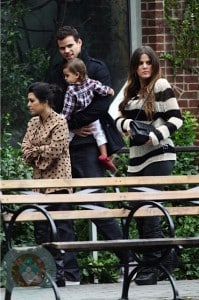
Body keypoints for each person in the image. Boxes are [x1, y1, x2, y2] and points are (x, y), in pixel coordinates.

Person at [47, 26, 127, 285]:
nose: (67, 51)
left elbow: (102, 105)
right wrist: (70, 126)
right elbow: (50, 107)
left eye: (70, 45)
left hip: (91, 147)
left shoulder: (97, 68)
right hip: (62, 149)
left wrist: (75, 122)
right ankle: (70, 274)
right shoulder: (55, 72)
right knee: (62, 209)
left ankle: (129, 260)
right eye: (62, 47)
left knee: (95, 205)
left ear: (79, 43)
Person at [115, 46, 183, 285]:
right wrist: (125, 126)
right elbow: (118, 116)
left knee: (150, 210)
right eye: (140, 63)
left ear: (154, 65)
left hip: (159, 155)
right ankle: (168, 255)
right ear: (134, 66)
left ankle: (151, 267)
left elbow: (177, 117)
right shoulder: (131, 89)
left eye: (148, 62)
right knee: (139, 213)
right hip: (136, 158)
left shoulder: (161, 86)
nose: (144, 66)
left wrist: (155, 135)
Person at [21, 82, 79, 287]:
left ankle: (66, 275)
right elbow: (25, 151)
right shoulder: (32, 124)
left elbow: (56, 151)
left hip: (59, 183)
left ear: (44, 102)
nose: (28, 104)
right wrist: (37, 154)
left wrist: (36, 153)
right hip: (40, 185)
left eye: (32, 100)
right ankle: (46, 273)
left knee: (62, 229)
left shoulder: (60, 121)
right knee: (41, 229)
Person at [62, 57, 116, 171]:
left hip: (77, 115)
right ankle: (104, 155)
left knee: (67, 137)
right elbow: (101, 88)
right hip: (90, 115)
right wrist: (110, 91)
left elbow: (68, 108)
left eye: (67, 75)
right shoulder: (90, 82)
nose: (65, 78)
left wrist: (63, 120)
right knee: (99, 134)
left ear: (76, 75)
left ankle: (61, 155)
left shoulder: (71, 90)